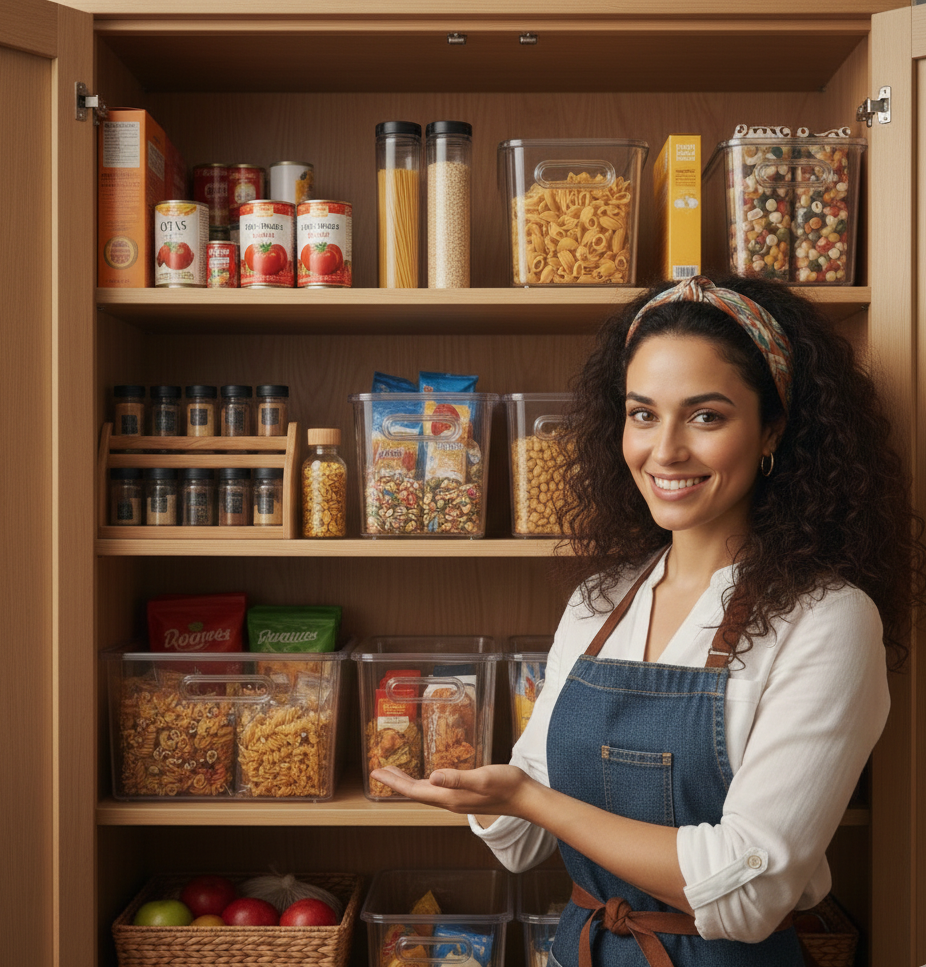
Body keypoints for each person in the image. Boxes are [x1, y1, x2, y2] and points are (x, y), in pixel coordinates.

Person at [371, 274, 925, 967]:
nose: (664, 451)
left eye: (706, 416)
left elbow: (748, 894)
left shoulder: (828, 619)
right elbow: (521, 841)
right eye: (642, 413)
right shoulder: (601, 601)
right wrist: (473, 788)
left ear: (773, 428)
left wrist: (532, 799)